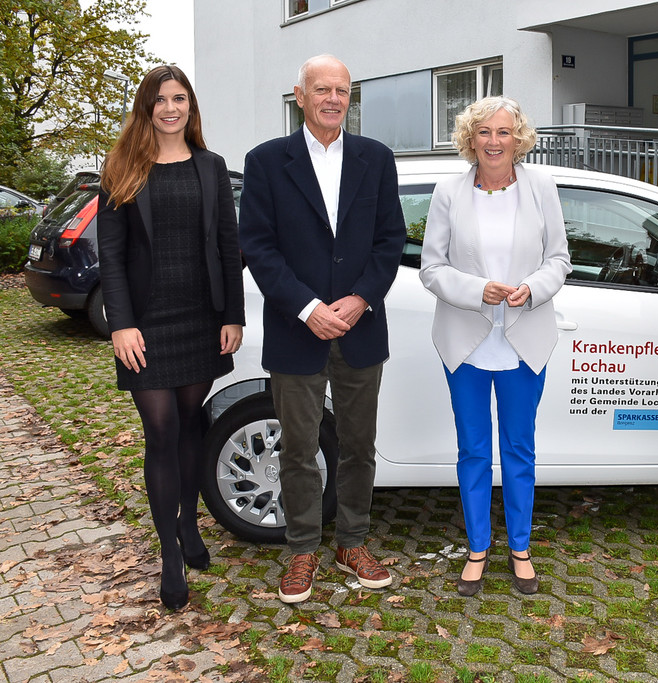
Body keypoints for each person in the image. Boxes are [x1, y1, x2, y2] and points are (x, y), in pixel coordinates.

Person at [238, 55, 405, 604]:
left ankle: (352, 541)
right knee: (298, 449)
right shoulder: (266, 161)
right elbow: (257, 246)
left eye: (342, 90)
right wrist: (308, 307)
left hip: (360, 328)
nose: (333, 99)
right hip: (297, 330)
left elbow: (390, 240)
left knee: (359, 446)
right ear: (300, 95)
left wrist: (360, 299)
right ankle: (303, 548)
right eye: (322, 89)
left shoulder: (375, 158)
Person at [97, 65, 245, 611]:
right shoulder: (122, 167)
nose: (170, 108)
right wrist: (121, 323)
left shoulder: (211, 166)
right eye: (160, 99)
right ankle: (169, 552)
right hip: (146, 324)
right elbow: (111, 255)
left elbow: (228, 245)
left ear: (190, 106)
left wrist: (233, 315)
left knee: (188, 424)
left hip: (201, 319)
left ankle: (189, 523)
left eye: (179, 98)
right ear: (147, 107)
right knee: (160, 430)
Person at [420, 96, 571, 597]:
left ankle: (521, 549)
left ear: (518, 138)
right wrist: (475, 290)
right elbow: (431, 268)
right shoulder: (448, 191)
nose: (493, 141)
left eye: (503, 132)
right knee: (473, 451)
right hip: (466, 341)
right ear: (470, 138)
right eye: (483, 131)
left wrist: (533, 288)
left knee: (519, 449)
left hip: (524, 339)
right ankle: (478, 549)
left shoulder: (542, 186)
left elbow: (559, 260)